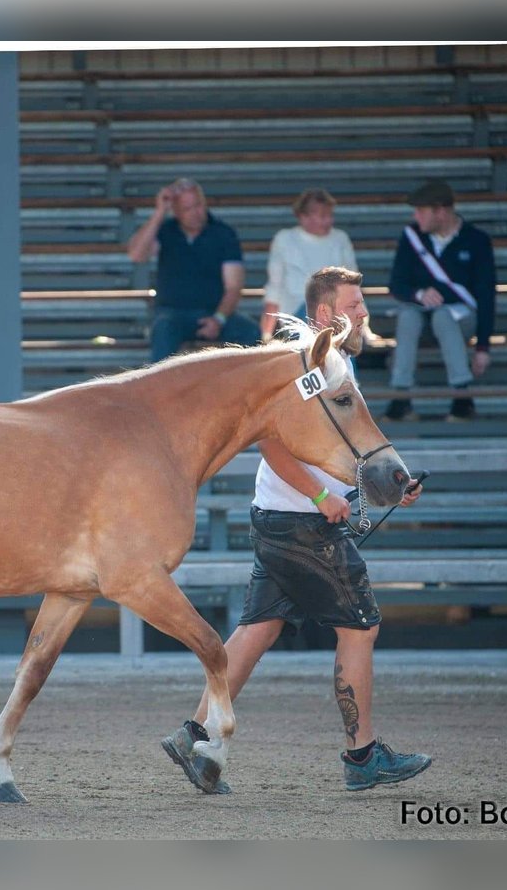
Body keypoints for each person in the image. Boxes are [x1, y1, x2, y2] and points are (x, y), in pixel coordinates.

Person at [160, 265, 431, 795]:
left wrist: (391, 482)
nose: (363, 313)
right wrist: (321, 496)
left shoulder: (328, 360)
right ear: (325, 313)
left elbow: (341, 446)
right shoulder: (311, 363)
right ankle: (363, 756)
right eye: (354, 305)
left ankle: (194, 734)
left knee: (259, 628)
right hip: (303, 522)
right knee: (360, 628)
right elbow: (272, 441)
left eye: (363, 304)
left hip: (279, 517)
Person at [384, 179, 497, 422]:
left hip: (460, 318)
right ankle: (400, 397)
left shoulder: (476, 240)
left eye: (421, 211)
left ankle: (461, 396)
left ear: (441, 211)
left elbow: (486, 294)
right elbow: (397, 284)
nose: (416, 217)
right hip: (420, 316)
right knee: (407, 316)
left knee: (444, 316)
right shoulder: (412, 237)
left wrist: (483, 348)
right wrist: (419, 294)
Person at [126, 178, 261, 362]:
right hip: (172, 314)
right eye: (187, 209)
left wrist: (218, 319)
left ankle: (248, 390)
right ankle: (162, 391)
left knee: (252, 332)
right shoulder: (165, 231)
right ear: (175, 211)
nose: (195, 213)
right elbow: (136, 254)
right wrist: (159, 213)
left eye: (198, 205)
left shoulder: (223, 234)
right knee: (163, 330)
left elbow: (234, 286)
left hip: (214, 312)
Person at [260, 188, 358, 340]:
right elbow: (275, 287)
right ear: (303, 217)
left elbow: (353, 286)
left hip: (337, 315)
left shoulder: (340, 239)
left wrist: (362, 325)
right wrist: (266, 332)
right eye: (322, 216)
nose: (328, 221)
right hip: (297, 316)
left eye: (330, 215)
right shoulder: (285, 239)